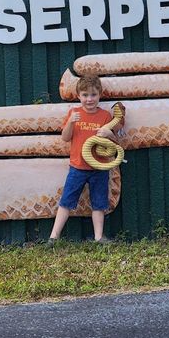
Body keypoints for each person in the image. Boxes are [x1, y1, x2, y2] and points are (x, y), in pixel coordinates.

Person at [48, 74, 124, 245]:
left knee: (99, 204)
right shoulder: (74, 113)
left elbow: (115, 144)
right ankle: (54, 237)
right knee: (66, 200)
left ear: (99, 95)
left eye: (93, 95)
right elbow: (65, 138)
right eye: (85, 95)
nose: (89, 99)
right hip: (77, 167)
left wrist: (109, 133)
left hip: (100, 168)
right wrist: (70, 123)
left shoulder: (105, 116)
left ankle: (98, 237)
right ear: (78, 96)